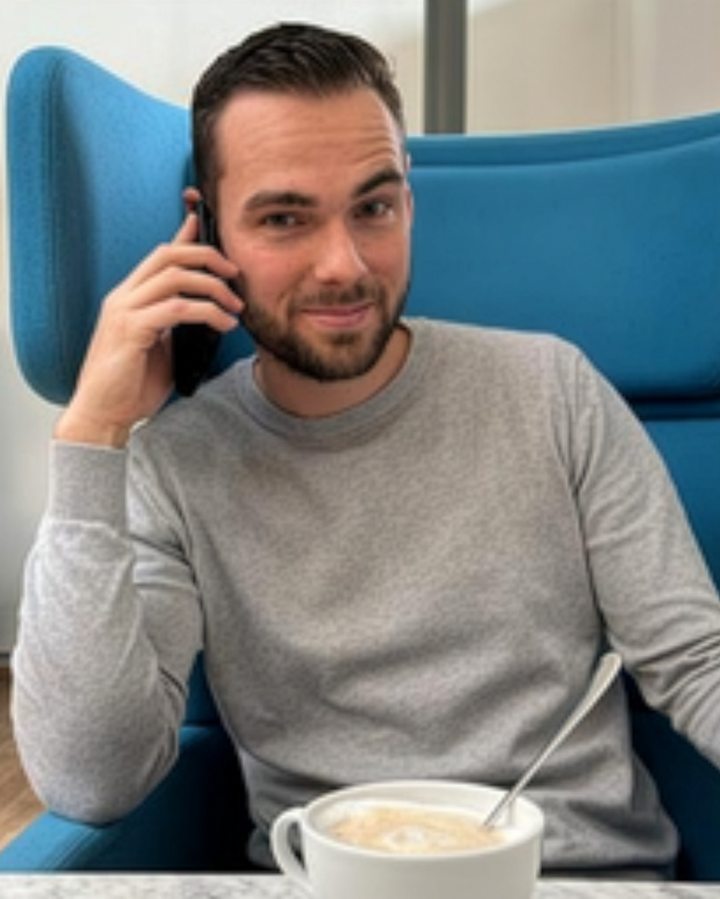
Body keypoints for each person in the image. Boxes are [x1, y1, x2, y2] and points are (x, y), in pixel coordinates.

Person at [11, 22, 720, 878]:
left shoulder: (553, 390)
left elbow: (697, 663)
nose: (343, 265)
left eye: (373, 208)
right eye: (284, 218)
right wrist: (92, 433)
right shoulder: (177, 463)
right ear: (208, 233)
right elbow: (92, 778)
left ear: (408, 204)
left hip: (576, 877)